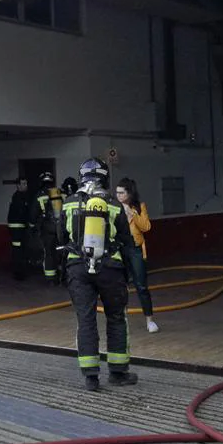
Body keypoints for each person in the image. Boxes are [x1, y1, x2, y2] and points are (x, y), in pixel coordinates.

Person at [61, 158, 138, 391]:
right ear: (105, 177)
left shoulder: (68, 203)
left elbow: (61, 239)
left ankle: (91, 377)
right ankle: (117, 372)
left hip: (77, 268)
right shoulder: (114, 204)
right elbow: (127, 241)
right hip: (110, 269)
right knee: (116, 318)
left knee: (85, 320)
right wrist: (132, 274)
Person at [116, 178, 158, 333]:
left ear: (129, 193)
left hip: (135, 249)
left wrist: (132, 213)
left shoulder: (139, 207)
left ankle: (150, 320)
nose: (118, 196)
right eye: (117, 193)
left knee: (141, 285)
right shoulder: (114, 208)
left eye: (122, 193)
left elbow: (146, 227)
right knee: (121, 285)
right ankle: (122, 319)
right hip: (120, 249)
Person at [30, 171, 64, 284]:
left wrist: (32, 226)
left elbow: (33, 214)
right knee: (62, 251)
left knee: (49, 252)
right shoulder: (60, 193)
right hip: (61, 228)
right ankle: (63, 275)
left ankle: (50, 278)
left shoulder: (40, 195)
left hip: (47, 228)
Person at [6, 177, 29, 281]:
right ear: (18, 185)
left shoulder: (20, 196)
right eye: (23, 184)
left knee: (19, 251)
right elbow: (22, 213)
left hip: (18, 228)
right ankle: (18, 273)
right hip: (17, 229)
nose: (25, 186)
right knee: (18, 251)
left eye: (26, 184)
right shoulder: (18, 197)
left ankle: (20, 272)